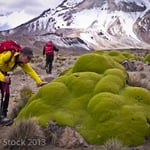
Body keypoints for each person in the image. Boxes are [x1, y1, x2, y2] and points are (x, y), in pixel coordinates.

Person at [0, 47, 48, 126]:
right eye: (28, 58)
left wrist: (39, 82)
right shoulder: (8, 55)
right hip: (1, 75)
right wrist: (2, 78)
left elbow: (30, 71)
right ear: (22, 55)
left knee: (6, 94)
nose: (29, 60)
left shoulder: (21, 62)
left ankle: (3, 117)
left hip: (4, 75)